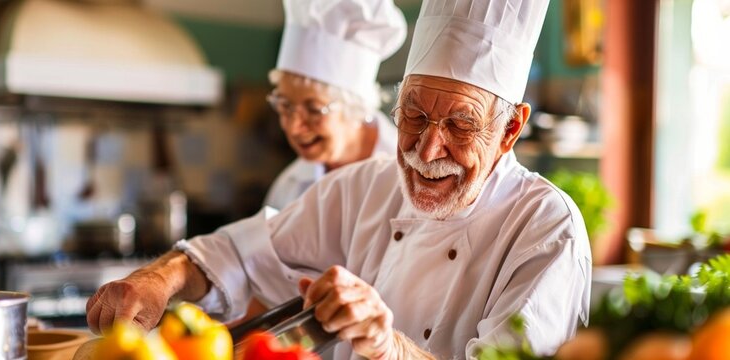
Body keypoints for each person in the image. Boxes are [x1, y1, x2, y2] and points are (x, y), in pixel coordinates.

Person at [86, 0, 592, 358]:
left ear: (510, 130)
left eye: (460, 125)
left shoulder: (546, 230)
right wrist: (155, 281)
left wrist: (387, 346)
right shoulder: (365, 187)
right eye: (412, 115)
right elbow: (239, 253)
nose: (426, 149)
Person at [262, 0, 406, 210]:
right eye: (285, 106)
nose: (293, 127)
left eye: (313, 109)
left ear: (355, 108)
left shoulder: (408, 175)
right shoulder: (288, 188)